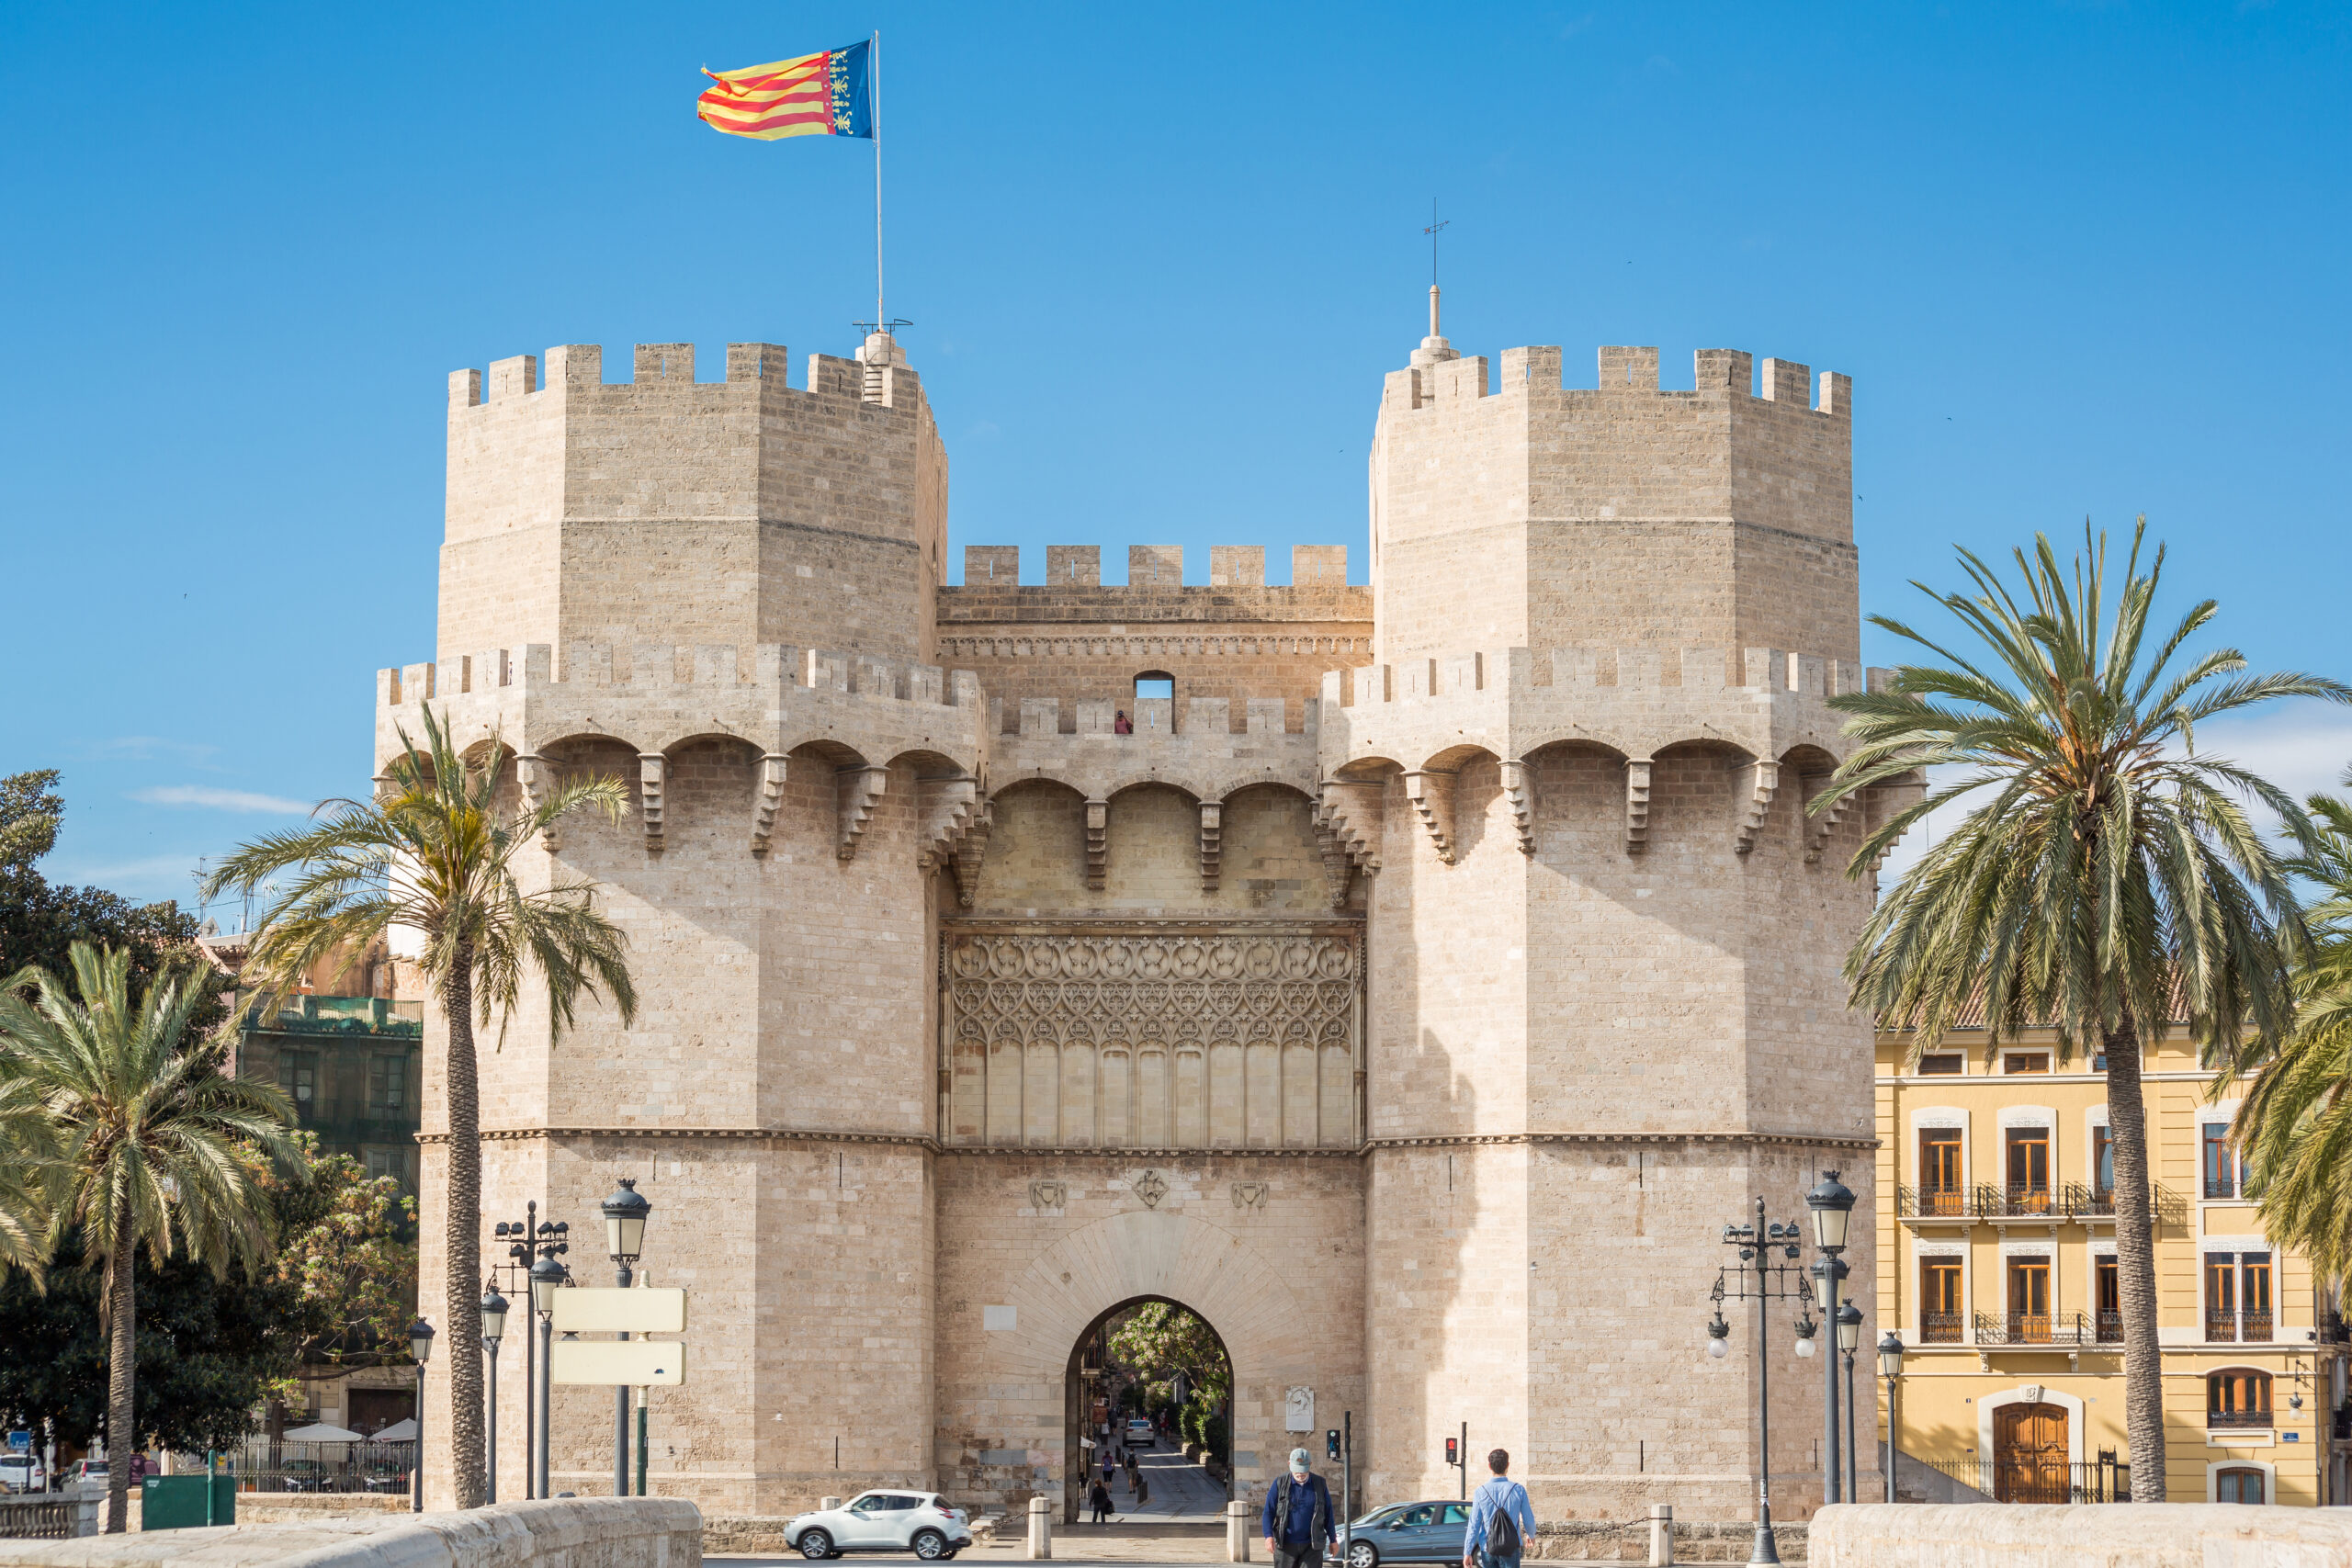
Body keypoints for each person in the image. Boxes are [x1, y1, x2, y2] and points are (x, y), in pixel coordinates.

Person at [1261, 1447, 1339, 1568]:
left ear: (1310, 1465)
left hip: (1312, 1546)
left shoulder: (1320, 1484)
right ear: (1289, 1464)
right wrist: (1268, 1536)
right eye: (1296, 1469)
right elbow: (1268, 1512)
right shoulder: (1279, 1483)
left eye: (1303, 1470)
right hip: (1285, 1545)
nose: (1300, 1474)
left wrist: (1333, 1540)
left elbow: (1328, 1514)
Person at [1463, 1449, 1536, 1568]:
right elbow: (1528, 1519)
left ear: (1489, 1466)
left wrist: (1467, 1552)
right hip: (1511, 1547)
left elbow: (1474, 1524)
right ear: (1508, 1465)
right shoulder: (1518, 1490)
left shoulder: (1480, 1492)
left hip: (1488, 1548)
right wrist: (1531, 1535)